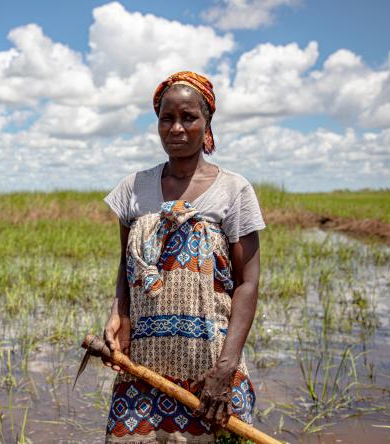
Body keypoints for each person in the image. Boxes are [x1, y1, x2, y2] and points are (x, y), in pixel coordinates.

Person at [103, 71, 266, 444]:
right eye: (167, 118)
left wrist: (224, 369)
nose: (176, 128)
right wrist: (118, 314)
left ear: (207, 122)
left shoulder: (233, 189)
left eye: (188, 117)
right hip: (144, 365)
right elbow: (126, 268)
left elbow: (248, 284)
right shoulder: (134, 188)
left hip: (209, 366)